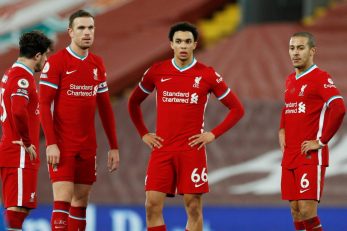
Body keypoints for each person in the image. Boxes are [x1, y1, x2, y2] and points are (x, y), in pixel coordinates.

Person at [128, 22, 244, 231]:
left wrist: (212, 134)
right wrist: (143, 133)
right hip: (162, 149)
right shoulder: (157, 71)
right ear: (171, 44)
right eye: (179, 41)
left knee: (193, 208)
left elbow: (237, 109)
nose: (183, 46)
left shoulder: (207, 74)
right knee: (151, 205)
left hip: (192, 151)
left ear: (194, 45)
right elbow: (133, 102)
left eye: (188, 42)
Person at [39, 10, 119, 231]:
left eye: (90, 28)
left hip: (87, 145)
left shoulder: (97, 63)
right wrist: (51, 143)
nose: (87, 33)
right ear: (71, 32)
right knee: (63, 199)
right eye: (81, 28)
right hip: (63, 144)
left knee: (81, 202)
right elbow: (44, 105)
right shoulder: (56, 63)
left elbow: (104, 106)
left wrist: (114, 146)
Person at [279, 32, 345, 231]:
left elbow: (339, 108)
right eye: (292, 48)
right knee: (296, 210)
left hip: (310, 155)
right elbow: (288, 107)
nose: (295, 53)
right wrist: (281, 129)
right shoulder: (290, 79)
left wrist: (321, 141)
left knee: (308, 211)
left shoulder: (320, 77)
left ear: (312, 51)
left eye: (300, 48)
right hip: (290, 154)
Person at [0, 31, 52, 230]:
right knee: (17, 209)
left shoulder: (10, 74)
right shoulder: (22, 77)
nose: (45, 61)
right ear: (37, 56)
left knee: (22, 208)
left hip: (14, 150)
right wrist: (27, 141)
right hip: (19, 151)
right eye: (45, 56)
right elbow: (18, 110)